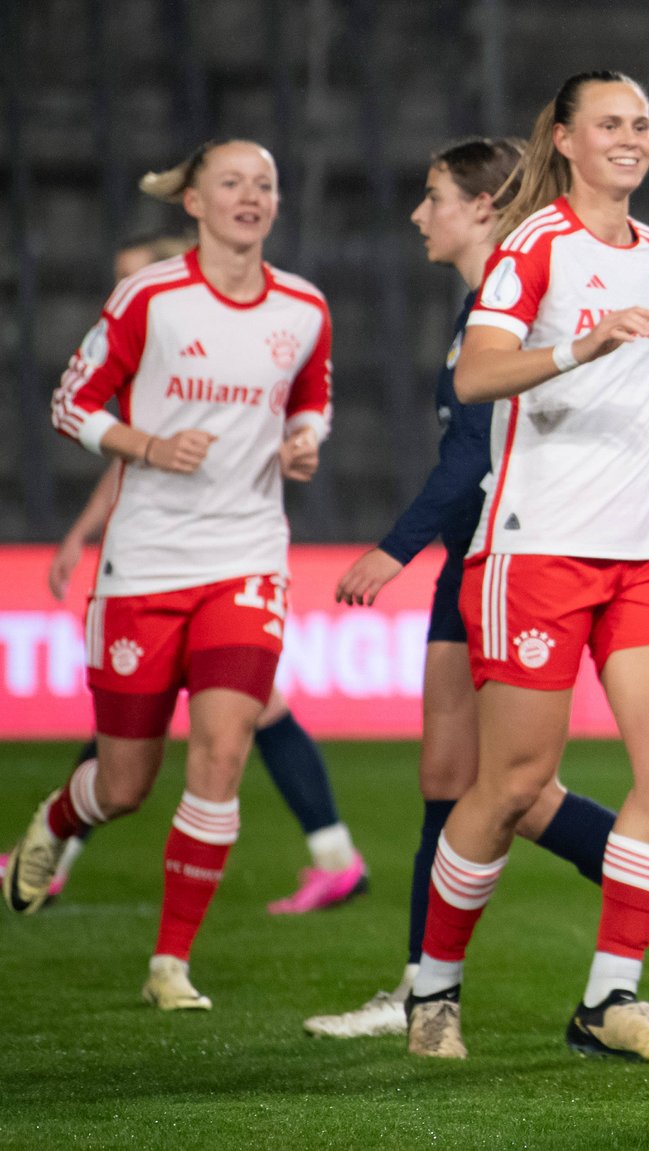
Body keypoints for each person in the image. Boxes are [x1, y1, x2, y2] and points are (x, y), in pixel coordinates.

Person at [303, 137, 649, 1042]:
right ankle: (438, 983)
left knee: (506, 781)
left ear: (481, 204)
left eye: (433, 195)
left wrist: (396, 545)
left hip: (520, 543)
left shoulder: (535, 274)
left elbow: (480, 441)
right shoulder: (502, 290)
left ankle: (504, 980)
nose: (419, 214)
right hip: (495, 552)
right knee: (473, 778)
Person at [403, 71, 649, 1064]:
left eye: (643, 124)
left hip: (646, 544)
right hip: (536, 543)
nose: (632, 138)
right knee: (509, 782)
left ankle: (609, 998)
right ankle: (433, 991)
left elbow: (635, 351)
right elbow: (479, 369)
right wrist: (582, 345)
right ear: (566, 140)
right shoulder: (534, 244)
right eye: (612, 125)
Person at [9, 139, 334, 1012]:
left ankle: (170, 965)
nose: (252, 195)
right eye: (232, 181)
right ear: (193, 201)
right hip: (146, 564)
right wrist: (148, 445)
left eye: (266, 181)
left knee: (223, 749)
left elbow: (313, 394)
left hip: (248, 561)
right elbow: (71, 401)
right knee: (124, 783)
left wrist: (307, 440)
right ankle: (60, 817)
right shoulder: (149, 296)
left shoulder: (304, 306)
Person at [32, 230, 369, 917]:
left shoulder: (202, 331)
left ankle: (58, 860)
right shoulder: (154, 333)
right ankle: (335, 856)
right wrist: (82, 532)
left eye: (133, 276)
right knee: (226, 715)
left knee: (190, 720)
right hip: (173, 556)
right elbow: (132, 455)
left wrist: (302, 439)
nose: (119, 296)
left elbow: (288, 418)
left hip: (223, 557)